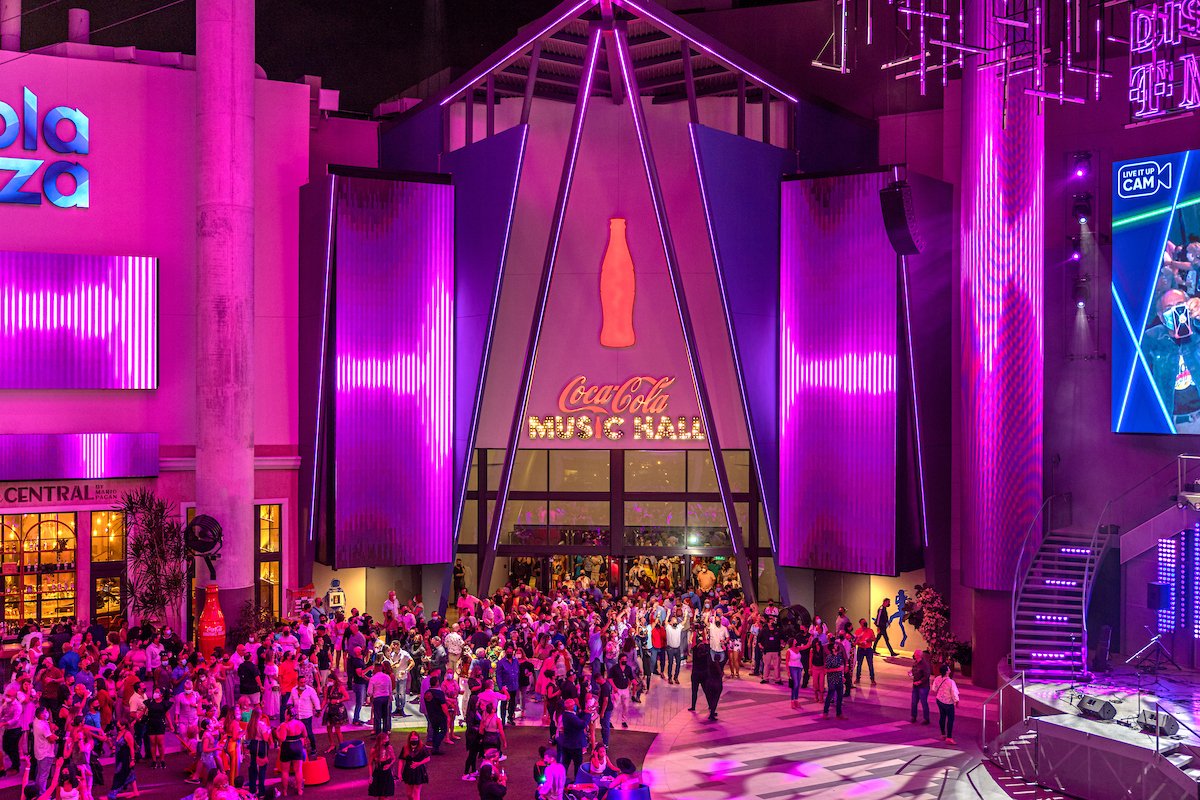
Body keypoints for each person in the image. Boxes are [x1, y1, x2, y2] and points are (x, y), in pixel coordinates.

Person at [276, 709, 308, 796]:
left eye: (285, 713)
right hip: (297, 746)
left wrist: (276, 733)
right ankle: (299, 790)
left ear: (288, 715)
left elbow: (282, 738)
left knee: (285, 771)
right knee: (298, 770)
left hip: (287, 747)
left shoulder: (284, 725)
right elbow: (305, 735)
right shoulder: (300, 723)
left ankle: (285, 791)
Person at [245, 707, 272, 797]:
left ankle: (252, 790)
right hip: (260, 746)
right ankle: (261, 792)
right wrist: (269, 731)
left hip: (252, 745)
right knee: (261, 770)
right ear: (259, 715)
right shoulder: (261, 724)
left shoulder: (249, 724)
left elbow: (247, 737)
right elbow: (265, 738)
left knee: (252, 769)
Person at [931, 664, 961, 744]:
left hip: (939, 700)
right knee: (950, 719)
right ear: (946, 672)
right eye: (948, 669)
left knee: (942, 717)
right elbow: (954, 693)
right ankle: (949, 738)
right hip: (948, 703)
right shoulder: (951, 682)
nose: (950, 670)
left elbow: (934, 689)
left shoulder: (937, 678)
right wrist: (957, 701)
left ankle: (943, 734)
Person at [322, 673, 350, 753]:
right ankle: (332, 745)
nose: (329, 682)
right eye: (328, 681)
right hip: (330, 708)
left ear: (334, 680)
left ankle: (342, 746)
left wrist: (338, 700)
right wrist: (320, 709)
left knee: (337, 729)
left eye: (331, 680)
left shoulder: (340, 687)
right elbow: (325, 699)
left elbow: (347, 697)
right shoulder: (327, 688)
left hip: (338, 709)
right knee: (329, 728)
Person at [398, 733, 430, 800]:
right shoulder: (405, 748)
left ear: (418, 739)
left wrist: (419, 763)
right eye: (412, 739)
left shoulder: (422, 748)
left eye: (415, 739)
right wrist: (399, 773)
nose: (414, 740)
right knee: (409, 794)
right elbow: (401, 760)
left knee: (416, 791)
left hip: (418, 771)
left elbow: (428, 758)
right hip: (408, 771)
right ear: (409, 739)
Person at [368, 732, 398, 800]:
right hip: (378, 774)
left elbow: (394, 758)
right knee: (381, 795)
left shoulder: (389, 748)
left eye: (387, 739)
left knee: (384, 795)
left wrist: (389, 765)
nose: (386, 742)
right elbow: (370, 764)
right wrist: (370, 776)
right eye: (384, 740)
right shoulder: (374, 750)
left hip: (387, 774)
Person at [821, 637, 846, 719]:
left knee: (840, 696)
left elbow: (841, 667)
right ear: (832, 648)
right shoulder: (829, 657)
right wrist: (836, 669)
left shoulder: (839, 656)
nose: (836, 646)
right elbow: (827, 670)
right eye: (835, 645)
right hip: (832, 679)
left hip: (839, 678)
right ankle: (825, 712)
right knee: (830, 695)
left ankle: (839, 714)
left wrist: (842, 676)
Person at [368, 662, 394, 734]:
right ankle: (385, 731)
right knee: (385, 715)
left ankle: (378, 731)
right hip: (386, 697)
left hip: (377, 698)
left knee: (377, 716)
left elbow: (369, 692)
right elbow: (390, 688)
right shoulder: (387, 677)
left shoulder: (373, 678)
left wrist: (370, 696)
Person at [910, 649, 932, 725]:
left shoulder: (925, 665)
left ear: (918, 655)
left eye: (915, 654)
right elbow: (914, 671)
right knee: (914, 702)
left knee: (923, 702)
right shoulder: (915, 663)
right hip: (915, 686)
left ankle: (926, 719)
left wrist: (919, 682)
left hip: (923, 687)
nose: (913, 655)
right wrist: (911, 673)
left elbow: (927, 676)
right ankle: (913, 716)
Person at [853, 618, 877, 686]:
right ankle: (857, 678)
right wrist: (860, 643)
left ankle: (872, 679)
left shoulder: (870, 630)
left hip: (868, 649)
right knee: (859, 664)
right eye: (863, 622)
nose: (865, 623)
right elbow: (855, 641)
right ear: (860, 623)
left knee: (870, 665)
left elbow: (874, 638)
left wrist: (870, 640)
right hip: (861, 649)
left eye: (865, 622)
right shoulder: (858, 631)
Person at [786, 638, 807, 709]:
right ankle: (792, 700)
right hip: (792, 668)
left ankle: (796, 700)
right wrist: (788, 671)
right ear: (792, 642)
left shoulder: (798, 648)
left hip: (799, 667)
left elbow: (807, 646)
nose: (796, 641)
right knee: (795, 684)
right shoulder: (789, 651)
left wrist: (811, 638)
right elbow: (787, 661)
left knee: (798, 685)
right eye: (795, 640)